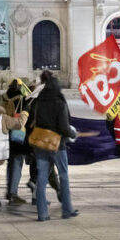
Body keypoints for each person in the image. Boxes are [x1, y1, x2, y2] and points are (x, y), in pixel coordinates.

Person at [32, 71, 78, 221]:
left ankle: (42, 213)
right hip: (57, 144)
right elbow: (64, 127)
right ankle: (67, 209)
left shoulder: (38, 102)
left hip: (40, 144)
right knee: (63, 176)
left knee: (41, 178)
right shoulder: (59, 103)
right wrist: (72, 134)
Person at [4, 79, 30, 205]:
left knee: (10, 164)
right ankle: (13, 193)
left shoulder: (3, 98)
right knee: (16, 164)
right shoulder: (23, 99)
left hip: (4, 135)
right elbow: (25, 121)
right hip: (18, 137)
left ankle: (10, 190)